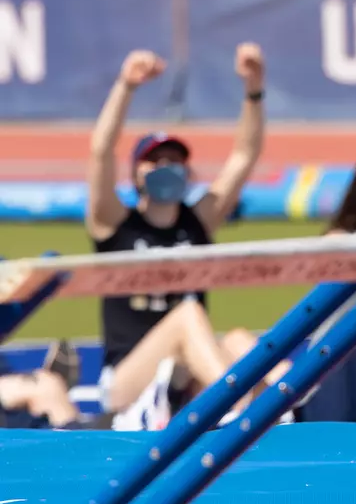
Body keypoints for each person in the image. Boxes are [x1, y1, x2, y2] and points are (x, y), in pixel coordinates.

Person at [85, 47, 266, 423]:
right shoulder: (114, 223)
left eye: (175, 161)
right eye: (155, 160)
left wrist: (254, 88)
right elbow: (101, 151)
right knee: (186, 315)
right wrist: (125, 87)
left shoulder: (197, 221)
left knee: (238, 340)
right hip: (125, 381)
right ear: (136, 173)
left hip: (183, 375)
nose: (166, 167)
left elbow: (244, 155)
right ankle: (244, 409)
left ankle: (294, 412)